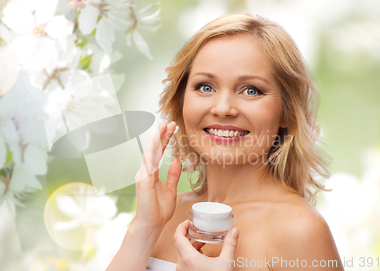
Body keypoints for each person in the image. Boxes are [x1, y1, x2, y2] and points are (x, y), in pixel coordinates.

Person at [106, 13, 344, 271]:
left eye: (251, 90)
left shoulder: (299, 229)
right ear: (181, 100)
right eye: (205, 87)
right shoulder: (162, 216)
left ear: (287, 112)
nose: (223, 108)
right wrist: (144, 228)